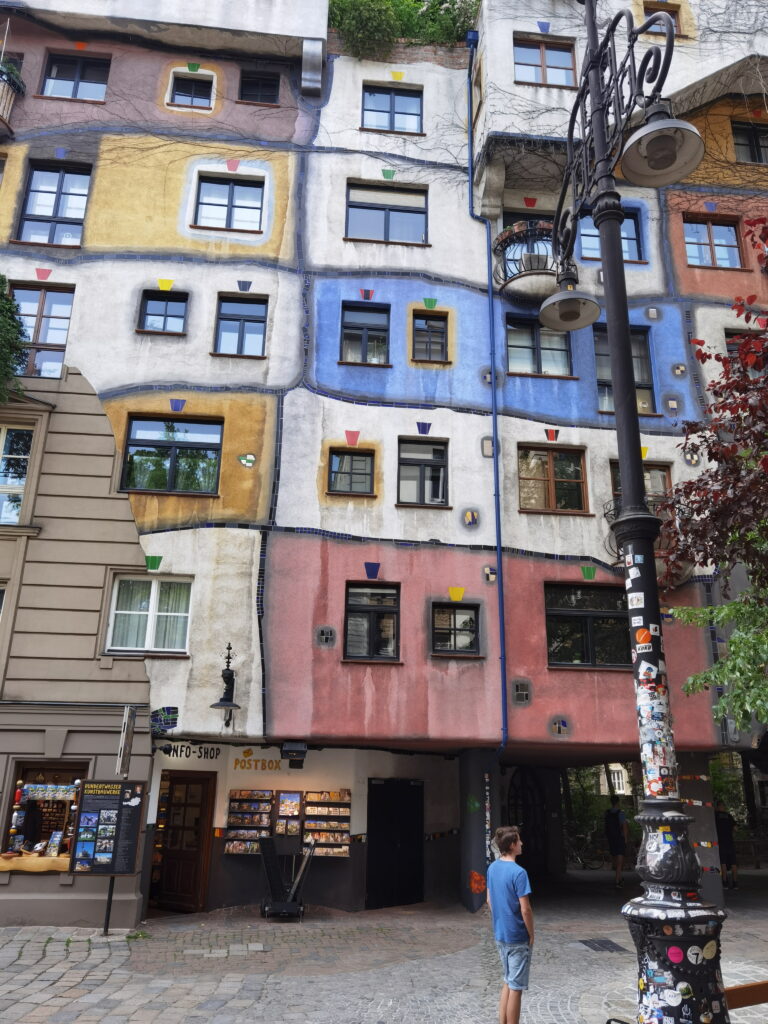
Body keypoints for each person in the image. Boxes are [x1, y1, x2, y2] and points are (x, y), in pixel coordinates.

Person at [486, 825, 534, 1024]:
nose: (522, 843)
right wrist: (531, 934)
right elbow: (526, 909)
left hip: (501, 933)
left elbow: (489, 900)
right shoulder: (519, 873)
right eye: (519, 840)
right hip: (517, 935)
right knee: (516, 988)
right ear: (512, 845)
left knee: (507, 980)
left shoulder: (492, 867)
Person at [604, 794, 630, 888]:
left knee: (615, 859)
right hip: (619, 838)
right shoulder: (621, 813)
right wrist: (626, 839)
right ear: (618, 802)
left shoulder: (607, 813)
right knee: (620, 861)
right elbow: (624, 827)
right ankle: (617, 881)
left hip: (611, 839)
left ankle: (619, 878)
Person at [714, 800, 738, 890]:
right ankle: (735, 883)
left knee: (723, 863)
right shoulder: (729, 816)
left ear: (717, 807)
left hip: (721, 842)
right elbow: (736, 828)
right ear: (723, 807)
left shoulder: (715, 816)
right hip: (730, 842)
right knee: (733, 863)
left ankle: (725, 883)